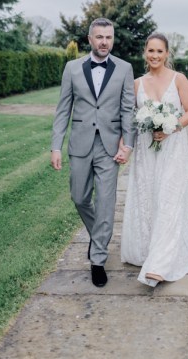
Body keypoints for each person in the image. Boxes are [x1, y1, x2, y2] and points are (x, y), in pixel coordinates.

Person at [51, 18, 135, 288]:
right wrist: (56, 146)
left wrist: (128, 145)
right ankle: (97, 235)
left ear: (113, 39)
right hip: (80, 143)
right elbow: (63, 108)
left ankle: (98, 259)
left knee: (106, 204)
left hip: (110, 147)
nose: (104, 42)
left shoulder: (124, 68)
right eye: (99, 37)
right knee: (79, 197)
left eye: (108, 37)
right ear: (90, 39)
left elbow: (127, 110)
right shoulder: (72, 68)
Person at [121, 32, 188, 287]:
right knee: (148, 197)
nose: (155, 56)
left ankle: (160, 264)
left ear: (167, 54)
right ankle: (145, 247)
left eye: (160, 51)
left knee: (169, 199)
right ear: (144, 53)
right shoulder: (137, 84)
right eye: (151, 51)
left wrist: (171, 127)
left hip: (172, 148)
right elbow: (130, 117)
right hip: (147, 152)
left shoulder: (178, 79)